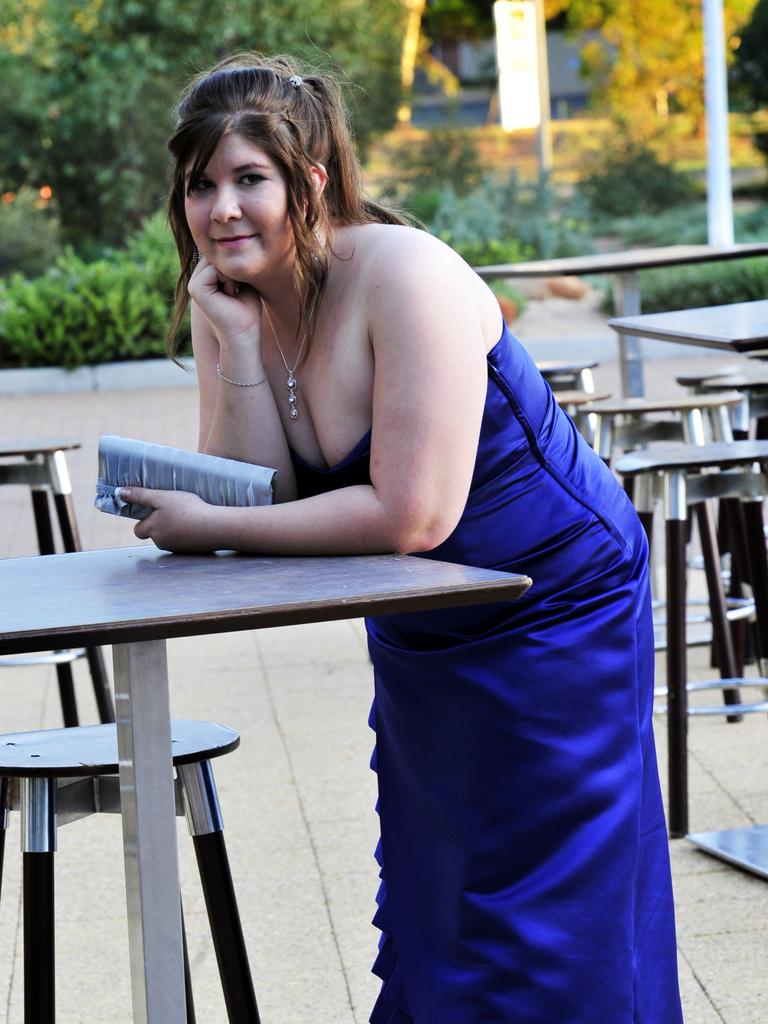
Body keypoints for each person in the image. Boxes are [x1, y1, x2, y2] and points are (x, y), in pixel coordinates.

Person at [118, 53, 683, 1023]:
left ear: (313, 182)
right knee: (441, 895)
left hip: (554, 606)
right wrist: (243, 349)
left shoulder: (405, 274)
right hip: (425, 620)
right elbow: (263, 492)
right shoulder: (229, 300)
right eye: (201, 184)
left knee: (546, 909)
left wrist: (210, 522)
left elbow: (411, 512)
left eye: (250, 179)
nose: (221, 210)